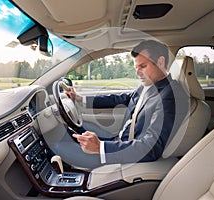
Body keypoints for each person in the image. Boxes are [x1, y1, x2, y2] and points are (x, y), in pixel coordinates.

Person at [56, 40, 189, 169]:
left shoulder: (171, 96)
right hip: (119, 141)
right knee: (73, 130)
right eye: (136, 68)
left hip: (123, 154)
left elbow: (152, 147)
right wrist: (80, 99)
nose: (137, 73)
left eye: (143, 66)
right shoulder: (149, 86)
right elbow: (121, 98)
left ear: (160, 62)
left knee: (56, 144)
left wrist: (100, 148)